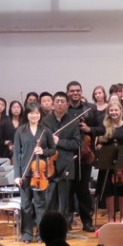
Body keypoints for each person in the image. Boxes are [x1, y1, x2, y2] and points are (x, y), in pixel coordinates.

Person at [14, 102, 56, 242]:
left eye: (37, 113)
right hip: (25, 172)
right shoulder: (20, 131)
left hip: (40, 173)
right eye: (32, 113)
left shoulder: (45, 130)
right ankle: (27, 233)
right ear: (27, 114)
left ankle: (40, 233)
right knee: (25, 204)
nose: (34, 115)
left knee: (40, 204)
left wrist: (43, 151)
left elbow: (53, 149)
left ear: (40, 115)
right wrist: (17, 175)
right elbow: (16, 154)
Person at [41, 91, 82, 227]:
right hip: (49, 165)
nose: (59, 104)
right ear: (53, 104)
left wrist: (59, 141)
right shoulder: (45, 121)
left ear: (67, 104)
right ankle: (48, 227)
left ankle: (63, 227)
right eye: (57, 101)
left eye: (62, 101)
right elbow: (42, 143)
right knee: (49, 199)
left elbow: (77, 143)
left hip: (66, 164)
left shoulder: (72, 121)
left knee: (64, 200)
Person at [67, 81, 98, 233]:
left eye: (78, 90)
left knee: (83, 190)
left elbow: (102, 128)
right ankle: (67, 222)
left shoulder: (90, 110)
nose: (75, 93)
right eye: (72, 91)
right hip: (67, 155)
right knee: (67, 190)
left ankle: (87, 221)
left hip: (85, 155)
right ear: (68, 93)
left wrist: (89, 129)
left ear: (81, 92)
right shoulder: (64, 110)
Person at [95, 99, 123, 223]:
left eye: (116, 110)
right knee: (109, 192)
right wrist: (99, 146)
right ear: (108, 111)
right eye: (111, 110)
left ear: (121, 111)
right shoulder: (104, 125)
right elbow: (99, 142)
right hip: (108, 162)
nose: (114, 112)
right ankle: (110, 218)